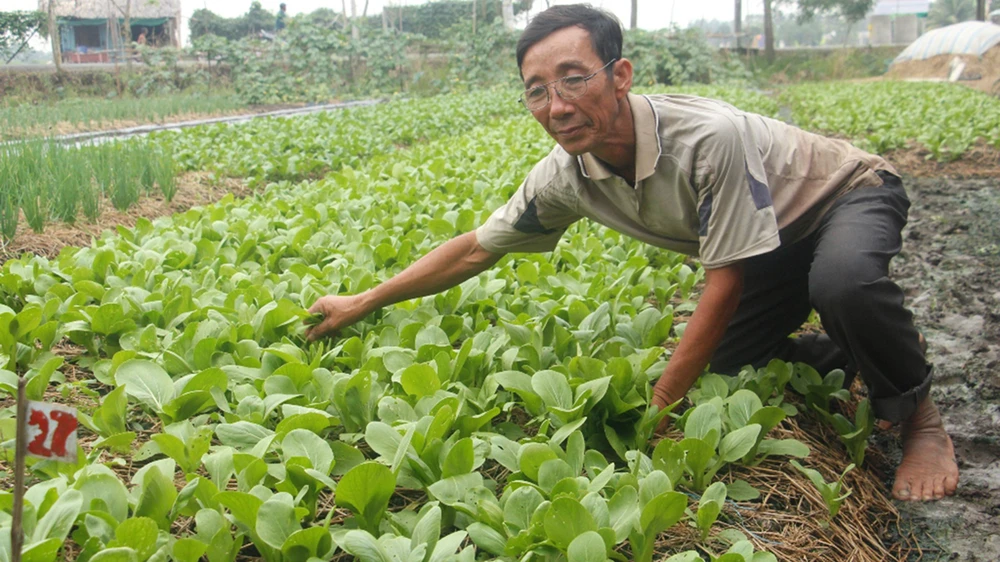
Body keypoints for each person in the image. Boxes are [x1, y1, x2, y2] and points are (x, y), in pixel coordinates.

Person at [306, 3, 959, 502]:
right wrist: (362, 302)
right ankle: (843, 353)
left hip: (841, 196)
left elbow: (724, 283)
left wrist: (659, 409)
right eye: (537, 90)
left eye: (572, 79)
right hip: (767, 242)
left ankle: (919, 419)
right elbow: (475, 250)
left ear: (619, 76)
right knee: (726, 364)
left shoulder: (709, 138)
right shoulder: (563, 177)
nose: (556, 106)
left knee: (841, 283)